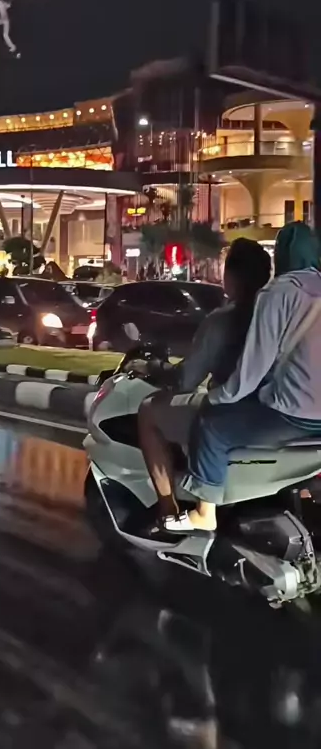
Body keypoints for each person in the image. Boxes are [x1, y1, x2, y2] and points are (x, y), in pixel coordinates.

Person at [165, 221, 321, 533]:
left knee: (211, 426)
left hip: (292, 413)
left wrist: (214, 398)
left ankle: (204, 512)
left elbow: (251, 370)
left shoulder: (278, 293)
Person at [139, 239, 272, 524]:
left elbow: (188, 379)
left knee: (149, 410)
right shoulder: (279, 315)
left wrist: (154, 368)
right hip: (276, 412)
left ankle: (168, 512)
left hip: (234, 410)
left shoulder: (221, 321)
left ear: (231, 277)